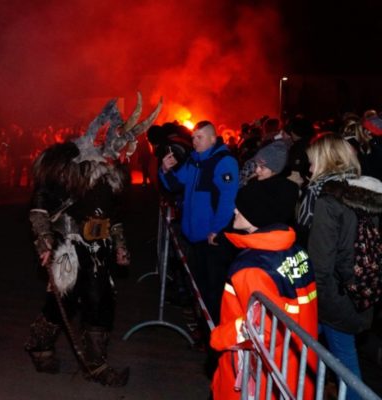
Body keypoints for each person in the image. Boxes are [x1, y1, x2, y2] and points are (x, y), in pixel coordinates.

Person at [25, 95, 161, 386]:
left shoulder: (114, 176)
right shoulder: (70, 169)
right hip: (68, 248)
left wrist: (120, 245)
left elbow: (114, 217)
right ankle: (39, 344)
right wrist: (44, 243)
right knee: (62, 302)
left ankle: (96, 363)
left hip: (100, 250)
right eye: (120, 146)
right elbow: (40, 206)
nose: (124, 153)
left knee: (100, 301)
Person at [210, 181, 318, 400]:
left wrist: (219, 337)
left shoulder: (254, 267)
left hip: (260, 377)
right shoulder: (296, 251)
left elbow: (263, 329)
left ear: (258, 214)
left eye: (241, 207)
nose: (235, 210)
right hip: (295, 369)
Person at [298, 133, 378, 400]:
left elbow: (320, 263)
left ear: (326, 161)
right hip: (362, 291)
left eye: (312, 162)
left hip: (333, 296)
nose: (309, 169)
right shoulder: (368, 193)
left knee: (345, 365)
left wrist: (319, 300)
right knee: (317, 349)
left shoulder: (327, 200)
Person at [160, 121, 239, 324]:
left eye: (199, 137)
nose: (194, 141)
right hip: (194, 237)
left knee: (214, 290)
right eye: (193, 137)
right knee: (200, 287)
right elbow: (176, 184)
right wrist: (166, 170)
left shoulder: (224, 162)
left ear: (213, 139)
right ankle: (204, 328)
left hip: (212, 239)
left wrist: (216, 230)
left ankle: (216, 334)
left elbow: (227, 201)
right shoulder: (194, 160)